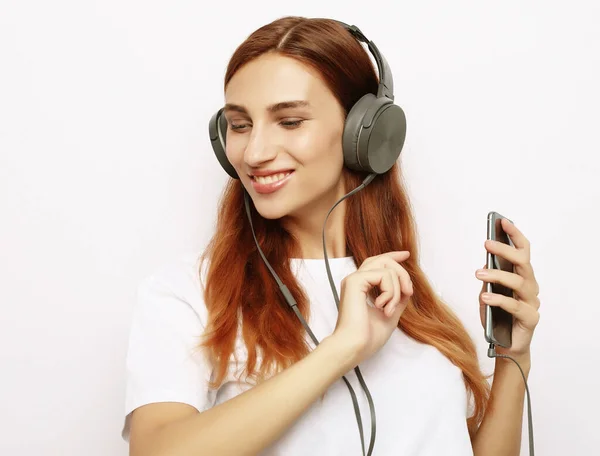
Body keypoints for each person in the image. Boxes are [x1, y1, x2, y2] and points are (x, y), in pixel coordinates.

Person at [121, 16, 541, 456]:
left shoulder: (407, 296)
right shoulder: (188, 294)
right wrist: (342, 349)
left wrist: (514, 357)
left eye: (289, 121)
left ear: (364, 132)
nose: (255, 152)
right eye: (240, 125)